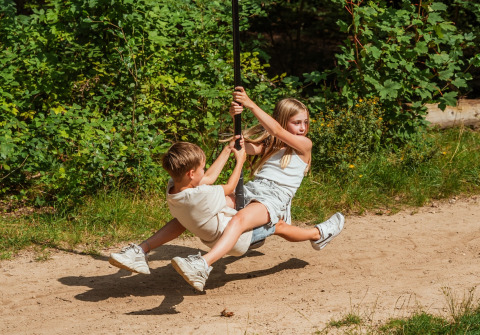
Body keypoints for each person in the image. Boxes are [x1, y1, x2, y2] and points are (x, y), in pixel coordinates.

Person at [171, 87, 344, 291]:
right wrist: (235, 120)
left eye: (305, 122)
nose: (303, 127)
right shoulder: (270, 144)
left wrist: (250, 104)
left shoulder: (304, 145)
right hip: (253, 189)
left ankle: (203, 264)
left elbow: (277, 131)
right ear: (282, 119)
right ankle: (318, 234)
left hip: (274, 197)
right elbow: (241, 146)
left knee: (241, 219)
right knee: (208, 200)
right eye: (296, 122)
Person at [109, 138, 340, 278]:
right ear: (191, 174)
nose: (204, 170)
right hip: (236, 239)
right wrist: (239, 160)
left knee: (181, 221)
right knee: (276, 224)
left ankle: (141, 249)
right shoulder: (203, 195)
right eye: (201, 167)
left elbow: (207, 177)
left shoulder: (174, 188)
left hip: (206, 228)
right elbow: (229, 185)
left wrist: (228, 150)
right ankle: (318, 234)